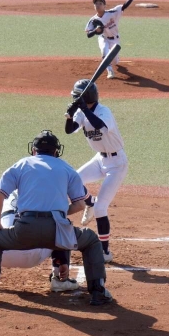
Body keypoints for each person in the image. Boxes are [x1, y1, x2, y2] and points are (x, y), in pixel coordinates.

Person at [0, 130, 113, 306]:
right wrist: (58, 213)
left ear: (34, 150)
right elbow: (80, 205)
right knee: (89, 239)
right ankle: (98, 292)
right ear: (56, 151)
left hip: (24, 230)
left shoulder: (21, 165)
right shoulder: (67, 169)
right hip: (56, 233)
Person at [65, 80, 128, 263]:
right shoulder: (81, 112)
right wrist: (69, 115)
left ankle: (105, 252)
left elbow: (99, 125)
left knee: (102, 208)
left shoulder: (103, 111)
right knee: (73, 180)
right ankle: (89, 202)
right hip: (100, 159)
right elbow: (69, 130)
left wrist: (84, 109)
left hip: (117, 163)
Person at [0, 190, 80, 292]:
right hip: (36, 254)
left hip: (2, 254)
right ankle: (59, 279)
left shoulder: (7, 193)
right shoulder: (45, 195)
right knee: (60, 228)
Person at [85, 0, 142, 79]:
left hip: (115, 39)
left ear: (104, 6)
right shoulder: (93, 20)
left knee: (115, 61)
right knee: (104, 51)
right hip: (103, 38)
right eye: (96, 4)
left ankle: (115, 61)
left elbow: (124, 6)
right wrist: (95, 31)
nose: (97, 5)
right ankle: (110, 71)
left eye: (100, 3)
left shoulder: (112, 13)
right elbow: (88, 34)